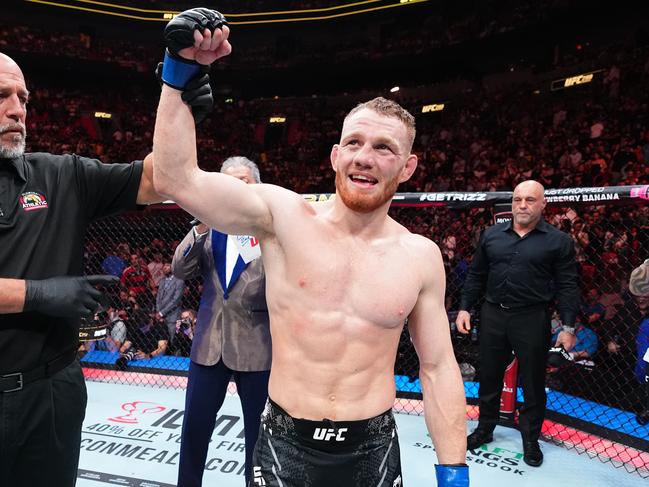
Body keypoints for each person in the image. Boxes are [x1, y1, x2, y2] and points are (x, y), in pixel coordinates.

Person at [152, 9, 468, 486]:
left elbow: (439, 366)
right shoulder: (282, 217)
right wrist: (178, 74)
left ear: (408, 167)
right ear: (335, 154)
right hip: (284, 441)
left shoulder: (420, 256)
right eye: (355, 142)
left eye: (385, 148)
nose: (365, 157)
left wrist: (454, 471)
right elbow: (178, 180)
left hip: (372, 448)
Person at [0, 51, 210, 486]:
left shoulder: (60, 175)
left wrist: (178, 98)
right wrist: (38, 294)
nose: (17, 109)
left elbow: (161, 179)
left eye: (23, 97)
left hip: (52, 391)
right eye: (1, 96)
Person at [456, 180, 579, 467]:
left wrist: (568, 327)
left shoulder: (558, 241)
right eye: (517, 199)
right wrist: (464, 308)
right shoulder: (491, 235)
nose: (522, 205)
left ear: (543, 204)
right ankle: (485, 428)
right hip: (493, 314)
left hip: (531, 317)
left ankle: (530, 439)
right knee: (488, 373)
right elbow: (476, 275)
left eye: (530, 200)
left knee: (534, 380)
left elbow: (568, 286)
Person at [172, 156, 272, 487]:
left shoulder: (273, 230)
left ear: (256, 185)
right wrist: (201, 222)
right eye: (227, 181)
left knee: (259, 436)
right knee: (195, 428)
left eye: (242, 180)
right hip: (209, 345)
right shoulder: (209, 228)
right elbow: (179, 269)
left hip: (258, 348)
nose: (235, 187)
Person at [155, 262, 185, 342]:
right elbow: (158, 298)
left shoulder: (179, 281)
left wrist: (161, 313)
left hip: (172, 316)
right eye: (164, 266)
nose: (165, 267)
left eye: (167, 265)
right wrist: (158, 312)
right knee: (161, 341)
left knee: (173, 341)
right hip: (161, 317)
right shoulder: (162, 281)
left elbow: (175, 300)